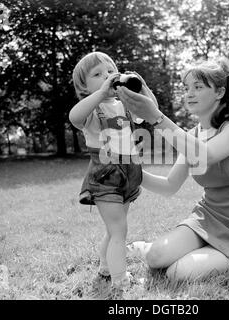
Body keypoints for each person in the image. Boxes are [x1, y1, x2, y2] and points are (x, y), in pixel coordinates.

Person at [118, 57, 229, 282]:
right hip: (207, 218)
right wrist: (130, 168)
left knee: (177, 273)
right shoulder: (193, 134)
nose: (189, 93)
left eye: (198, 87)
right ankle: (144, 247)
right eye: (187, 88)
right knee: (156, 257)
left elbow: (206, 155)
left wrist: (157, 118)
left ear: (219, 92)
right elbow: (169, 186)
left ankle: (202, 253)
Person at [69, 52, 157, 292]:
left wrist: (142, 87)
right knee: (119, 230)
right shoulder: (91, 111)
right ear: (84, 88)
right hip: (105, 177)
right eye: (97, 74)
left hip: (128, 174)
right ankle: (121, 281)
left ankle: (105, 270)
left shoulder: (125, 106)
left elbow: (151, 112)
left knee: (113, 229)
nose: (107, 76)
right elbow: (74, 117)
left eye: (110, 71)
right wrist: (100, 94)